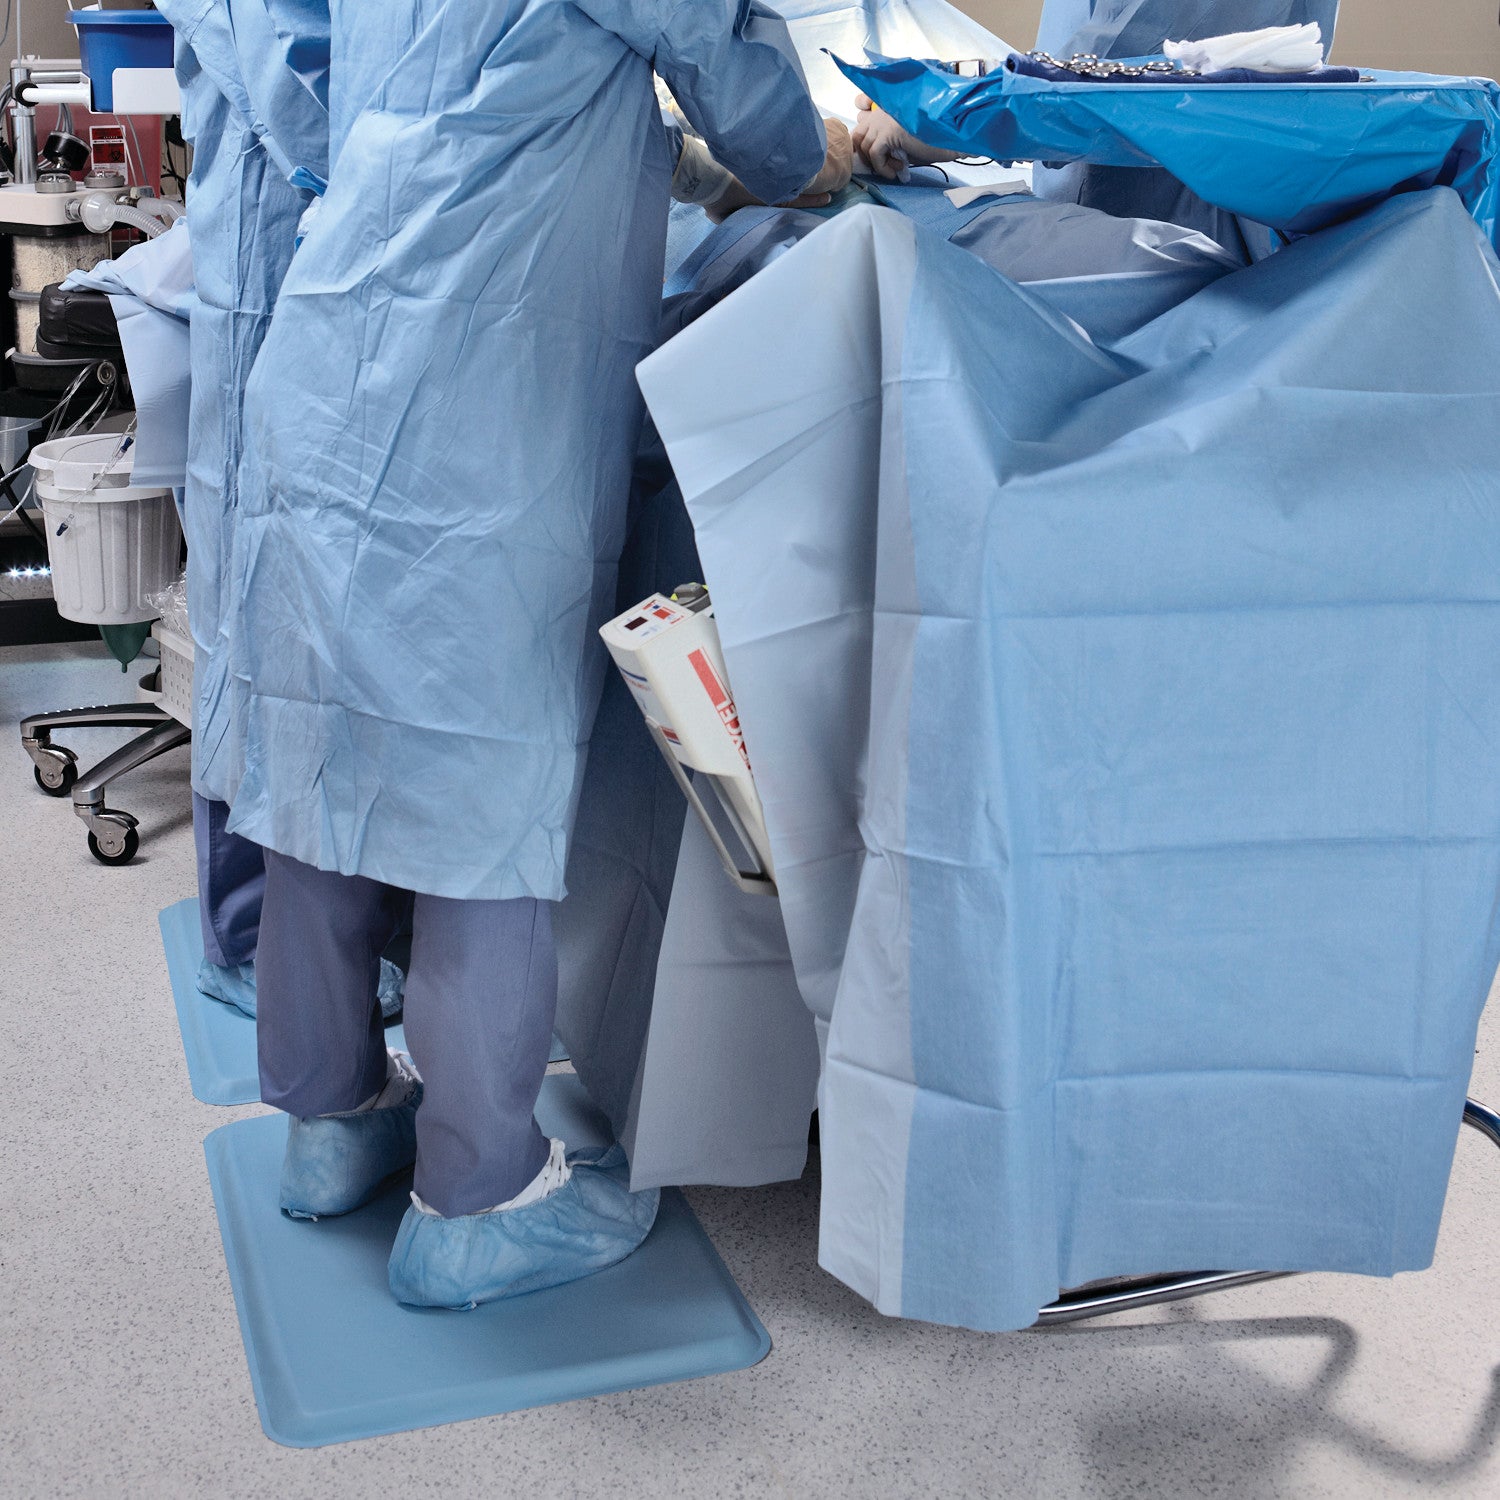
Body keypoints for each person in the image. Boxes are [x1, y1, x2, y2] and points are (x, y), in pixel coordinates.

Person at [230, 0, 837, 1310]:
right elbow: (775, 132)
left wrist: (652, 147)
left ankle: (334, 1120)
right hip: (477, 393)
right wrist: (796, 130)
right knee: (480, 790)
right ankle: (480, 1196)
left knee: (323, 759)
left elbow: (458, 86)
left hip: (336, 351)